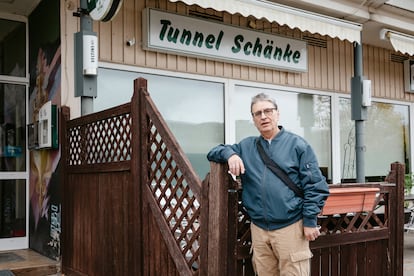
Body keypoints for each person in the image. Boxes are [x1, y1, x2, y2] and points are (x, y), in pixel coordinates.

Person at [207, 93, 330, 276]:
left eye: (267, 111)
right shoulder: (246, 146)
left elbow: (316, 187)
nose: (263, 116)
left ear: (277, 114)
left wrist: (310, 221)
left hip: (291, 228)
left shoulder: (298, 145)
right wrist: (230, 155)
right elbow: (214, 151)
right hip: (259, 229)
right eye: (258, 113)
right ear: (254, 120)